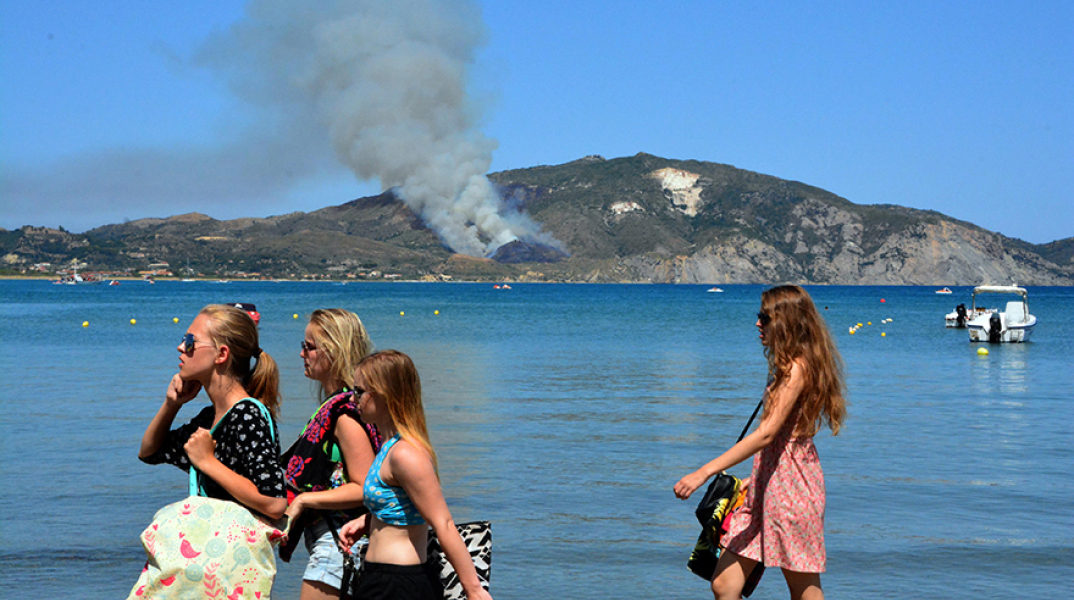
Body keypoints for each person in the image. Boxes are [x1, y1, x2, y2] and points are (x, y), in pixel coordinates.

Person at [674, 285, 846, 600]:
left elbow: (766, 434)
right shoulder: (787, 367)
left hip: (792, 491)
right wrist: (757, 479)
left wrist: (703, 472)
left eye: (764, 317)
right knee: (724, 584)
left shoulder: (796, 369)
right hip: (771, 485)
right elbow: (781, 440)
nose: (757, 324)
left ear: (785, 322)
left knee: (803, 588)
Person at [338, 350, 493, 600]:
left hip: (399, 585)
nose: (353, 399)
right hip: (381, 578)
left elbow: (442, 522)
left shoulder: (405, 454)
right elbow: (407, 508)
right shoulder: (388, 446)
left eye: (359, 391)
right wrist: (367, 522)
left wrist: (474, 590)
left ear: (385, 395)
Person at [139, 303, 286, 519]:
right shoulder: (211, 417)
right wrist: (172, 405)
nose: (180, 347)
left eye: (190, 342)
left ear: (221, 354)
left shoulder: (247, 415)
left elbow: (274, 503)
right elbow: (150, 453)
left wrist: (207, 462)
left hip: (235, 551)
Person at [281, 309, 383, 600]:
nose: (302, 354)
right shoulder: (342, 407)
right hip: (337, 543)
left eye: (309, 347)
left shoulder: (344, 416)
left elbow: (364, 488)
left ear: (335, 352)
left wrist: (303, 499)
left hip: (336, 545)